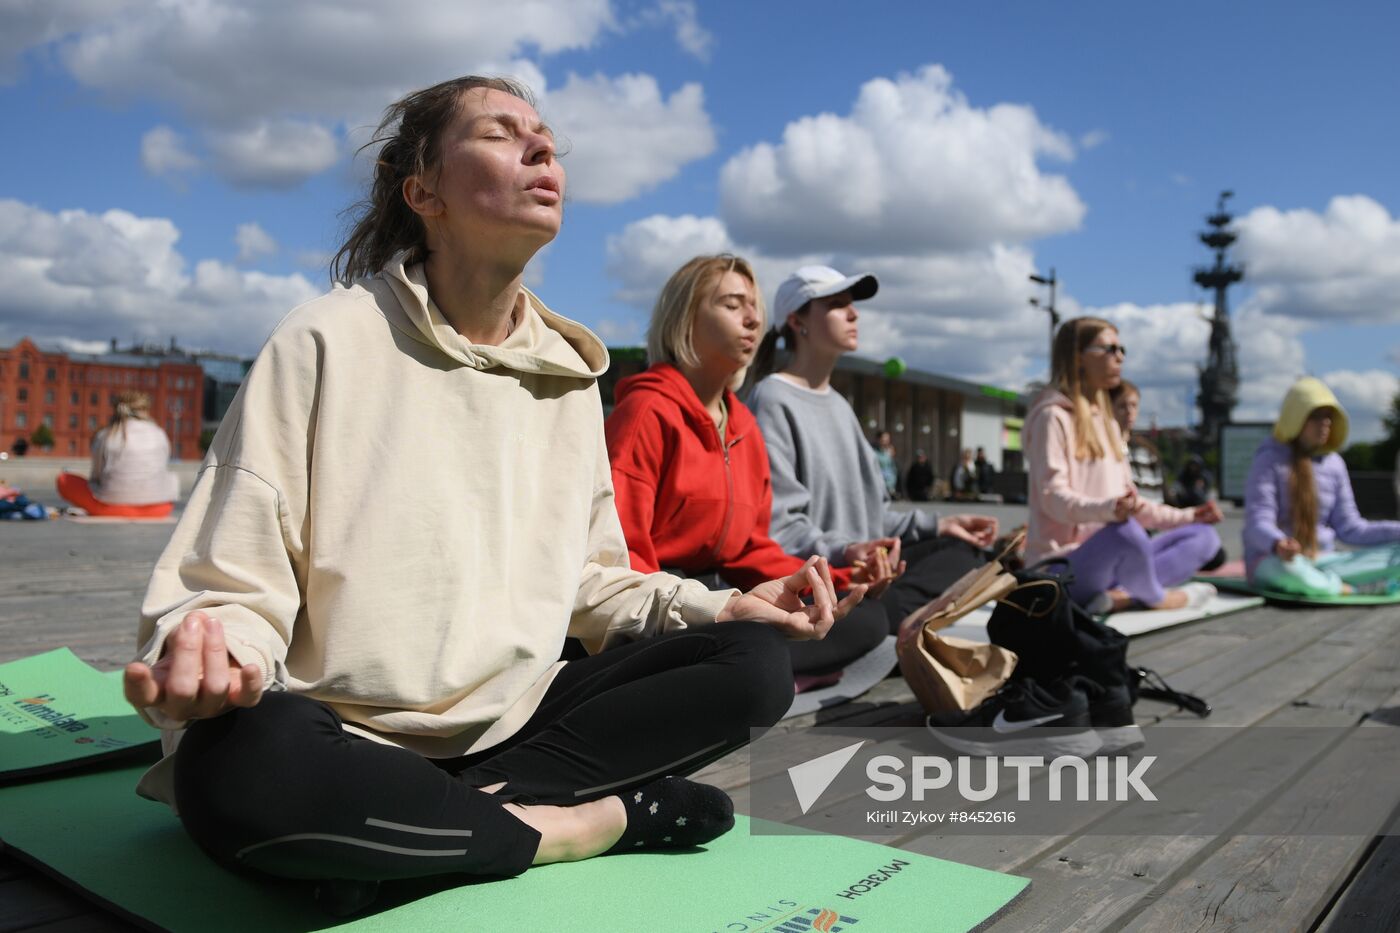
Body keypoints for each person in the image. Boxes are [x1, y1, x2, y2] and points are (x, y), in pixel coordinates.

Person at [121, 76, 850, 914]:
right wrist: (216, 655)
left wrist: (725, 609)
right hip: (341, 731)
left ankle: (430, 826)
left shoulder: (570, 378)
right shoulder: (322, 338)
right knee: (239, 766)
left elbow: (590, 578)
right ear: (422, 190)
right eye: (503, 134)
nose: (543, 149)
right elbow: (233, 580)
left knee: (755, 666)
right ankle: (582, 825)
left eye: (545, 137)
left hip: (519, 728)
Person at [605, 255, 878, 690]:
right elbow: (622, 551)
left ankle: (751, 671)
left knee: (865, 616)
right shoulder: (646, 412)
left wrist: (832, 579)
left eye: (755, 308)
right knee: (758, 657)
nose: (752, 319)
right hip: (659, 604)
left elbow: (750, 547)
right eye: (733, 305)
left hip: (724, 592)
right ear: (686, 317)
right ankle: (755, 672)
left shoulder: (743, 425)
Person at [747, 265, 999, 632]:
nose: (854, 313)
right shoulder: (772, 398)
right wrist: (849, 551)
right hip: (822, 580)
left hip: (864, 568)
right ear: (796, 320)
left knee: (966, 555)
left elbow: (872, 517)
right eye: (837, 304)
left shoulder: (839, 405)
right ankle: (891, 624)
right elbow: (780, 526)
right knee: (884, 609)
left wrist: (942, 524)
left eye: (852, 304)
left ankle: (893, 621)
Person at [1024, 317, 1221, 613]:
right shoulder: (1052, 417)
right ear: (1078, 357)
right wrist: (1110, 510)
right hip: (1059, 567)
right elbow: (1053, 498)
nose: (1120, 357)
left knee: (1205, 537)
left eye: (1121, 349)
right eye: (1109, 349)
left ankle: (1120, 598)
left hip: (1108, 557)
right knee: (1126, 533)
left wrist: (1191, 515)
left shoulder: (1108, 426)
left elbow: (1133, 504)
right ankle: (1158, 598)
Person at [1244, 377, 1400, 596]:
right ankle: (1347, 588)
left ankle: (1327, 584)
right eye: (1316, 416)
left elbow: (1352, 529)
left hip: (1325, 560)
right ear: (1295, 418)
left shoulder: (1335, 464)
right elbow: (1257, 521)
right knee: (1287, 571)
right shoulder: (1268, 460)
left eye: (1329, 417)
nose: (1325, 423)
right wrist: (1278, 543)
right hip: (1277, 560)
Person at [55, 391, 180, 518]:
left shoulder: (106, 435)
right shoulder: (160, 434)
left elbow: (96, 478)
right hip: (159, 508)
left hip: (112, 508)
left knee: (63, 479)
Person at [1109, 381, 1166, 504]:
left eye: (1134, 405)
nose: (1129, 411)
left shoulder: (1148, 450)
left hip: (1152, 516)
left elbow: (1161, 493)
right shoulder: (1106, 448)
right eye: (1122, 406)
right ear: (1110, 408)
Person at [874, 430, 899, 498]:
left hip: (889, 485)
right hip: (878, 483)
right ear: (878, 439)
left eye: (888, 439)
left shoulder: (889, 452)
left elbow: (892, 468)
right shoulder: (873, 452)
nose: (886, 441)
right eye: (884, 439)